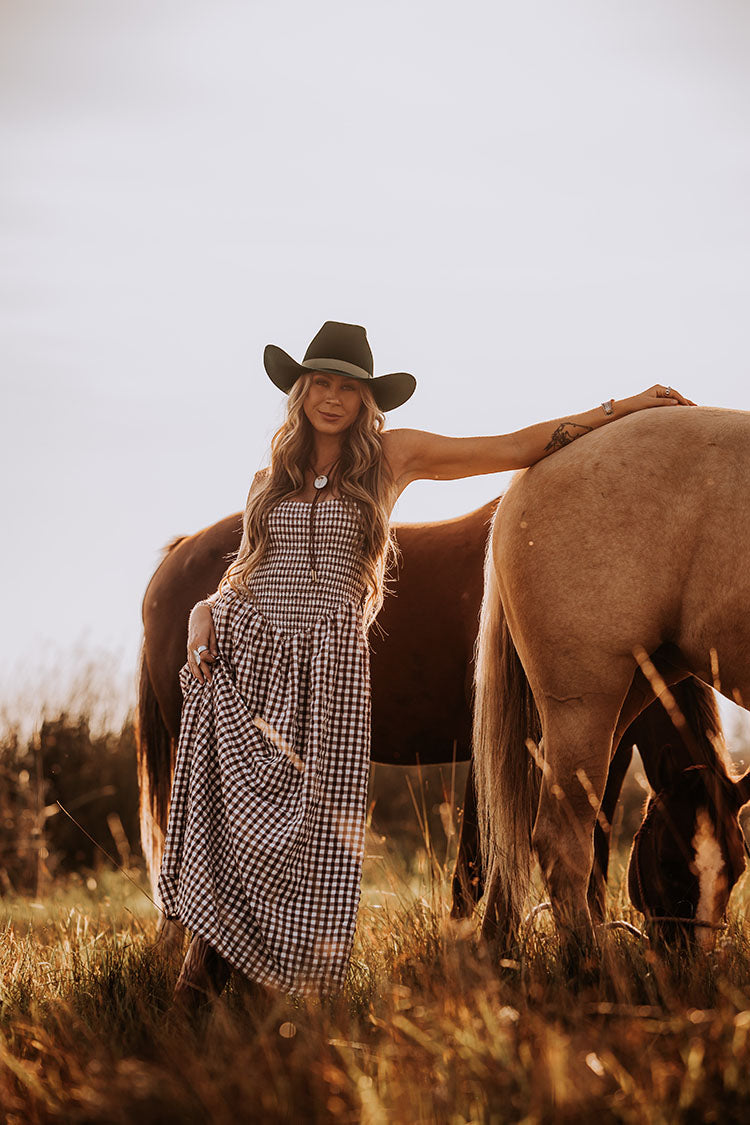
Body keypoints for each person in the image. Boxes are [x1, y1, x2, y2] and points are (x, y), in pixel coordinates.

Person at [156, 320, 694, 1014]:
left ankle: (274, 1002)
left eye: (347, 387)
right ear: (301, 392)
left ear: (366, 400)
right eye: (320, 382)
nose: (331, 397)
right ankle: (198, 997)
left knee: (310, 839)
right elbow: (246, 573)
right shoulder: (271, 477)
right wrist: (204, 611)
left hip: (330, 672)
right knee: (236, 827)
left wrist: (622, 408)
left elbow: (515, 445)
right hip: (248, 656)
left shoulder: (391, 458)